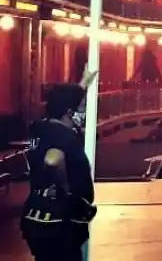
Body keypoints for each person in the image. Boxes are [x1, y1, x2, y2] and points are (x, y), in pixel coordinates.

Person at [21, 71, 99, 261]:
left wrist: (83, 84)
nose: (84, 111)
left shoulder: (40, 128)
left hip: (37, 215)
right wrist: (66, 190)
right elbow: (53, 159)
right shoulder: (63, 134)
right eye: (82, 107)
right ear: (70, 113)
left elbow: (64, 102)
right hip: (58, 223)